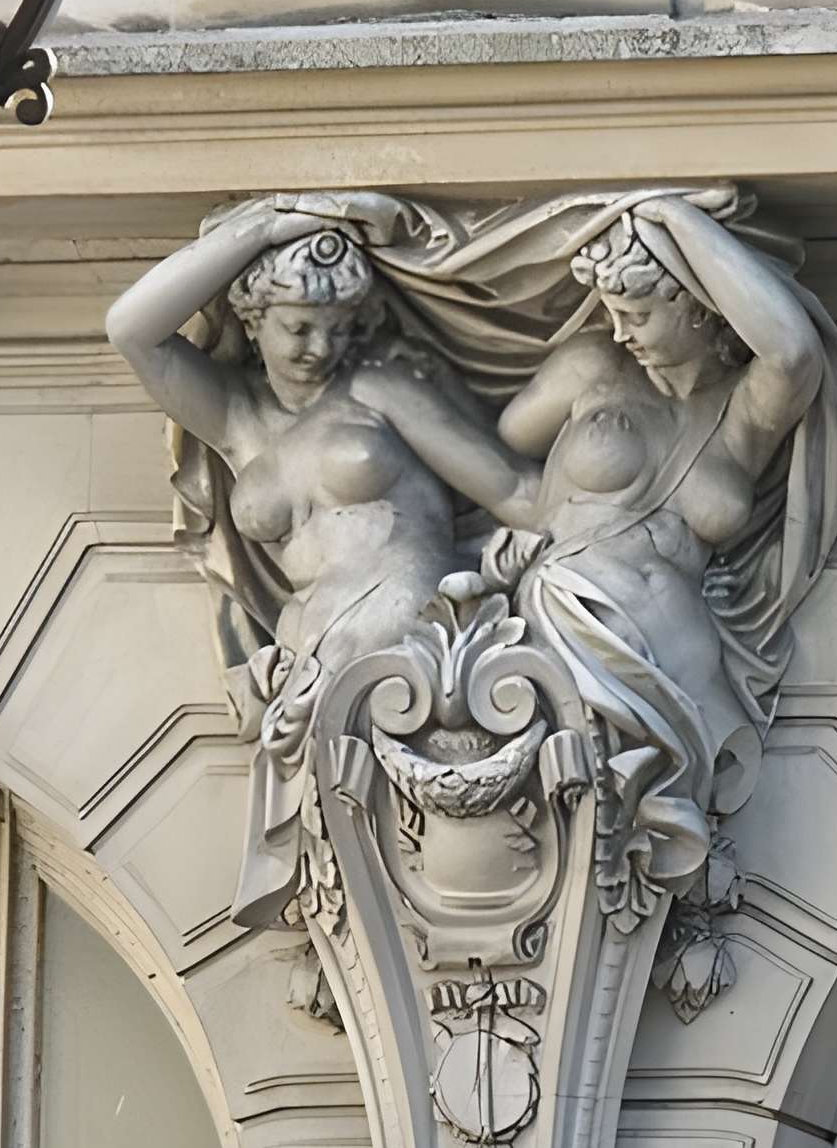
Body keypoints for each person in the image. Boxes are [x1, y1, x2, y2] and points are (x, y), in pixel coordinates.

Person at [104, 192, 533, 922]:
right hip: (305, 656)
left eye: (335, 329)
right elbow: (131, 330)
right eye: (297, 327)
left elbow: (511, 489)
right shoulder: (237, 420)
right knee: (349, 875)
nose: (317, 348)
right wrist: (266, 227)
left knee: (423, 864)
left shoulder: (379, 390)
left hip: (404, 630)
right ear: (253, 319)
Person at [491, 193, 837, 898]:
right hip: (570, 614)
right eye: (614, 311)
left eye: (641, 311)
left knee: (643, 833)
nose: (621, 331)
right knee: (572, 823)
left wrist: (670, 219)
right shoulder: (592, 368)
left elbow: (795, 350)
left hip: (683, 658)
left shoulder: (744, 413)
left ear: (700, 307)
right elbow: (511, 447)